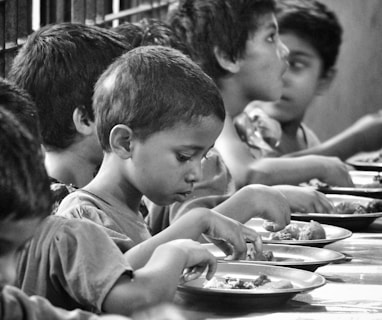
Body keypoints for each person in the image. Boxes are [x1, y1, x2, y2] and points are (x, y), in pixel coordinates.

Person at [1, 77, 216, 317]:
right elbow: (137, 302)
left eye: (18, 251)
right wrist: (177, 251)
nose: (9, 275)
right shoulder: (73, 227)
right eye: (184, 156)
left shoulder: (11, 305)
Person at [112, 18, 334, 234]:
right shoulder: (91, 213)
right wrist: (250, 201)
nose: (196, 173)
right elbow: (191, 237)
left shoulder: (250, 127)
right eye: (270, 37)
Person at [168, 0, 354, 188]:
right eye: (271, 37)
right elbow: (245, 173)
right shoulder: (206, 117)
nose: (284, 51)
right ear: (228, 56)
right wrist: (322, 165)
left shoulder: (236, 121)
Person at [8, 23, 132, 190]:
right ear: (85, 119)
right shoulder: (82, 212)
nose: (133, 116)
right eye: (122, 103)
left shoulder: (28, 192)